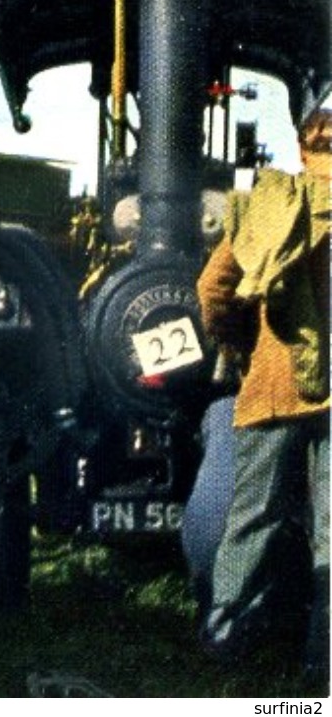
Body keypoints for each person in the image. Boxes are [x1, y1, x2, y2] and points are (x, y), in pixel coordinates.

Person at [197, 108, 330, 681]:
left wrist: (240, 341)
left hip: (273, 388)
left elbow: (212, 288)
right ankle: (320, 662)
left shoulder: (265, 200)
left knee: (251, 516)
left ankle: (225, 640)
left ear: (303, 147)